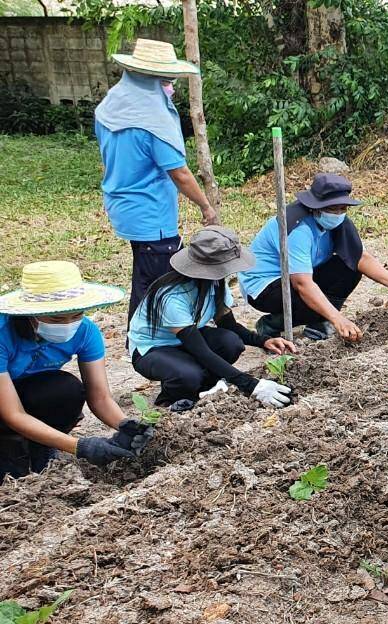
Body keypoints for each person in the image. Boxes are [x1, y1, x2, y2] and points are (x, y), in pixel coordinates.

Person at [94, 38, 219, 321]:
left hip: (122, 203)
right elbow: (180, 174)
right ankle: (145, 343)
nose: (171, 88)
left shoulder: (109, 108)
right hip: (152, 214)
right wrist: (206, 207)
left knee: (144, 273)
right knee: (161, 282)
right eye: (166, 82)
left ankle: (139, 339)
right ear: (150, 81)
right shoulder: (152, 121)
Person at [0, 262, 155, 481]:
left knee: (66, 390)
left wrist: (126, 426)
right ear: (30, 314)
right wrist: (81, 447)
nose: (68, 324)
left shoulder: (85, 332)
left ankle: (42, 446)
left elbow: (100, 397)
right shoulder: (2, 333)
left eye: (76, 315)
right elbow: (13, 413)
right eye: (56, 318)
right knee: (10, 475)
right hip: (5, 403)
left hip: (28, 393)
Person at [130, 227, 297, 409]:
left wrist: (263, 341)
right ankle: (173, 395)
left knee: (231, 343)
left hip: (186, 342)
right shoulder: (172, 297)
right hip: (154, 348)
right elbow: (200, 350)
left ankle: (204, 383)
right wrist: (251, 385)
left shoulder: (214, 284)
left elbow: (229, 325)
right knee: (189, 375)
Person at [239, 173, 388, 342]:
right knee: (309, 297)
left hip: (298, 275)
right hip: (264, 287)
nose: (338, 214)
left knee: (349, 268)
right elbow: (302, 284)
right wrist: (338, 319)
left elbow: (360, 257)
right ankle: (272, 324)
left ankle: (318, 324)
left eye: (343, 208)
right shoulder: (297, 229)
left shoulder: (339, 223)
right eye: (332, 209)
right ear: (315, 206)